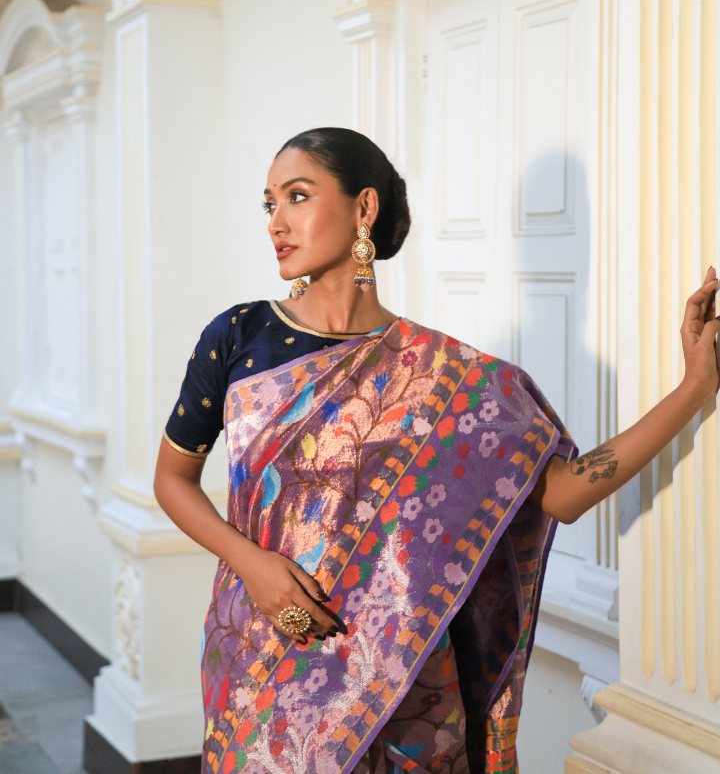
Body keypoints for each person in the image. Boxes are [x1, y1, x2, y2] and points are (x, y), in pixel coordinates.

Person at [154, 128, 719, 774]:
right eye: (269, 203)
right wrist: (250, 562)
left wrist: (695, 387)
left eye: (298, 196)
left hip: (404, 682)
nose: (276, 221)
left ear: (364, 208)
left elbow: (563, 492)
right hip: (260, 654)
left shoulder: (451, 380)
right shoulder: (239, 336)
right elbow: (173, 477)